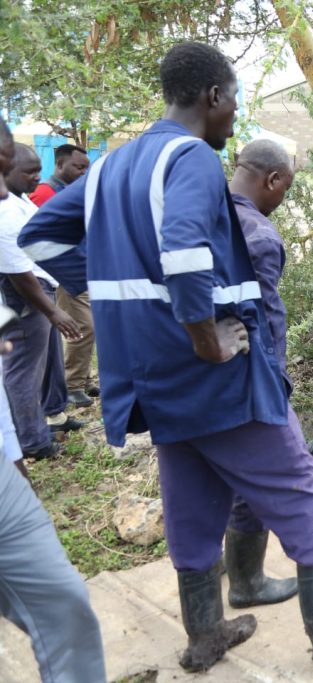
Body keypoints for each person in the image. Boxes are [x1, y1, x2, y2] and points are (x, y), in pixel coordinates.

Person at [19, 42, 313, 675]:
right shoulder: (190, 156)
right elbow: (186, 251)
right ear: (212, 97)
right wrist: (204, 337)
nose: (234, 120)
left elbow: (41, 237)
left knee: (192, 494)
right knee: (301, 489)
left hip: (147, 375)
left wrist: (124, 290)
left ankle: (205, 634)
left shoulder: (113, 166)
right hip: (213, 372)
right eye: (235, 103)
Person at [0, 115, 106, 683]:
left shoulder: (19, 203)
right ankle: (42, 431)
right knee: (32, 369)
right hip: (36, 295)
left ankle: (44, 428)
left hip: (4, 486)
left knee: (65, 606)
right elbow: (18, 266)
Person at [222, 138, 297, 609]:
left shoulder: (197, 217)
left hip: (200, 377)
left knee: (214, 478)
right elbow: (266, 323)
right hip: (249, 381)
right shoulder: (260, 235)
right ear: (271, 180)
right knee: (283, 479)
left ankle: (221, 585)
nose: (282, 200)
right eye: (284, 190)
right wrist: (278, 386)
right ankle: (248, 584)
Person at [0, 143, 82, 460]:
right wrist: (53, 311)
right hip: (25, 296)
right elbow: (18, 273)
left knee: (47, 362)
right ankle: (31, 440)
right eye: (30, 171)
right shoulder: (5, 211)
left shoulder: (17, 201)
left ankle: (53, 414)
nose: (37, 177)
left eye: (38, 170)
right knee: (23, 370)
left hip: (41, 289)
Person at [30, 144, 97, 409]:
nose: (83, 173)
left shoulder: (67, 192)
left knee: (90, 326)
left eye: (86, 168)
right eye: (78, 167)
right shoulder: (43, 194)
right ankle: (73, 385)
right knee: (83, 327)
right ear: (59, 165)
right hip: (60, 274)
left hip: (80, 269)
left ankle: (83, 379)